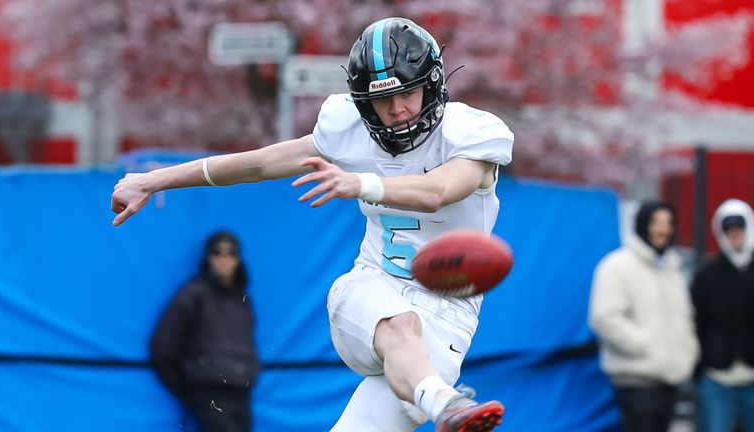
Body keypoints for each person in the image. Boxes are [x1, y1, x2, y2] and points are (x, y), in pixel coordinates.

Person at [113, 17, 513, 432]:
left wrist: (360, 183)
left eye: (408, 93)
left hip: (448, 314)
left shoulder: (471, 134)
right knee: (400, 323)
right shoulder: (350, 130)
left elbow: (438, 191)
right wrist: (152, 179)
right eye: (383, 99)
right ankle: (446, 404)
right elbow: (257, 164)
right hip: (371, 288)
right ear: (363, 102)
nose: (397, 111)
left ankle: (437, 398)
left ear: (432, 85)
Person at [588, 201, 699, 432]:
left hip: (670, 379)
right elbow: (604, 317)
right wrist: (645, 345)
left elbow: (685, 318)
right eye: (656, 222)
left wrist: (688, 353)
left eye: (668, 223)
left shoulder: (672, 269)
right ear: (642, 224)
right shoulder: (617, 266)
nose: (663, 229)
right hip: (636, 381)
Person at [149, 231, 258, 432]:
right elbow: (163, 347)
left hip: (241, 393)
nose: (224, 259)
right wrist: (187, 389)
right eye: (217, 253)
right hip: (209, 393)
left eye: (231, 253)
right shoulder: (193, 294)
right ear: (208, 258)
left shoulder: (242, 299)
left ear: (238, 259)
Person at [691, 198, 754, 432]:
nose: (736, 236)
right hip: (717, 376)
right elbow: (697, 323)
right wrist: (701, 366)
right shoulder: (707, 276)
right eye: (729, 231)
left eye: (740, 229)